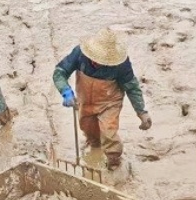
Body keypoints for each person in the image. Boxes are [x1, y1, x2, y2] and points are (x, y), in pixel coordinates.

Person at [53, 27, 152, 170]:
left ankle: (113, 161)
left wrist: (141, 112)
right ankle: (95, 148)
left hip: (109, 102)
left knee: (108, 132)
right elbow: (59, 72)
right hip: (85, 100)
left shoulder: (121, 64)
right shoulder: (79, 54)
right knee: (88, 129)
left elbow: (132, 87)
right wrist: (65, 91)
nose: (100, 63)